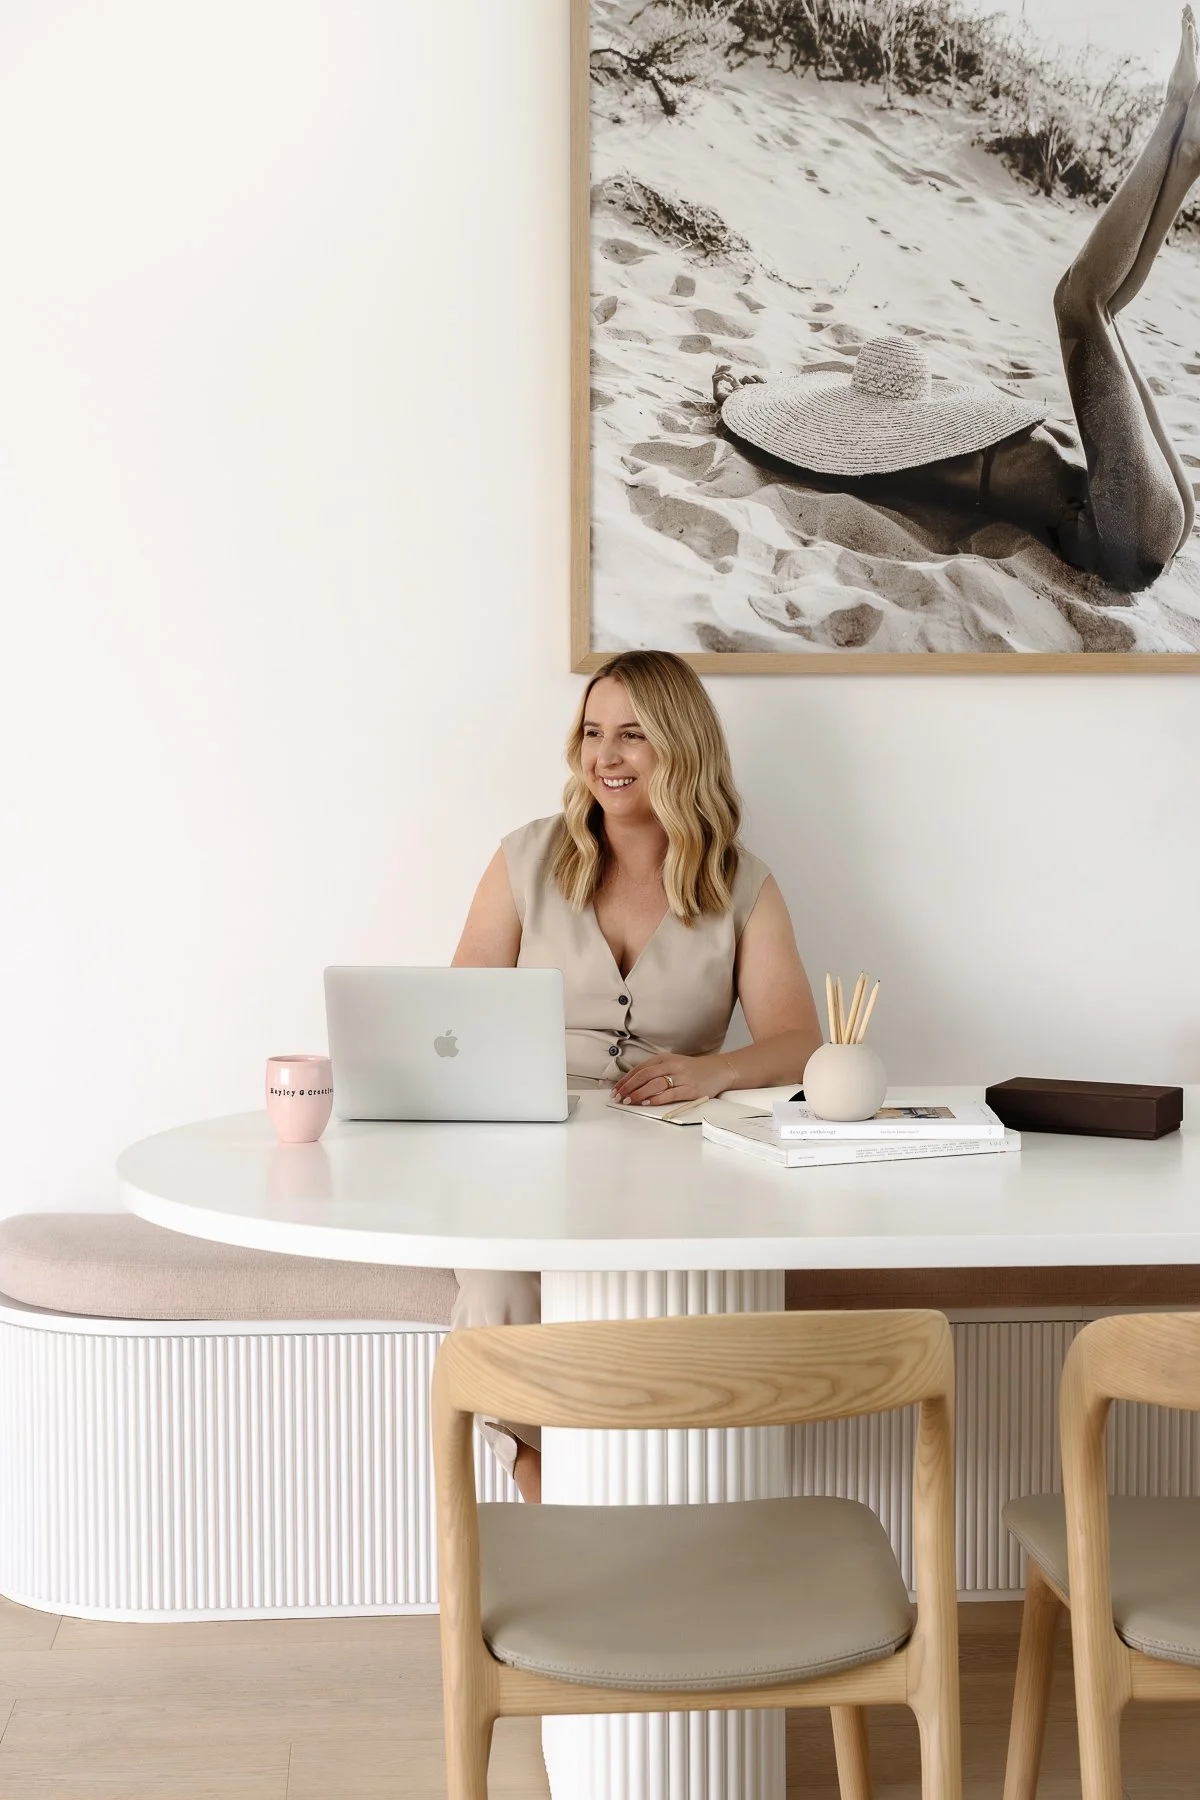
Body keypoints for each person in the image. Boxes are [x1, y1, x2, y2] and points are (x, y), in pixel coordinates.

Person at [451, 649, 822, 1500]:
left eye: (631, 736)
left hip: (671, 1141)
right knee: (502, 1270)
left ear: (681, 747)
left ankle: (650, 1494)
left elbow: (799, 1041)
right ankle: (535, 1460)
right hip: (531, 1131)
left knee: (662, 1280)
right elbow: (455, 1017)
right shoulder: (525, 859)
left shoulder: (740, 882)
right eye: (591, 733)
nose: (604, 758)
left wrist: (714, 1070)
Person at [716, 6, 1200, 595]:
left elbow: (803, 441)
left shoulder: (901, 451)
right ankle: (1176, 121)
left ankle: (1185, 156)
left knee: (1103, 310)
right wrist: (750, 409)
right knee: (1080, 301)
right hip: (1126, 530)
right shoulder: (888, 458)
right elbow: (804, 455)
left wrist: (752, 399)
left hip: (1141, 520)